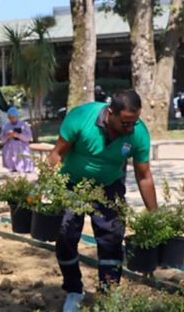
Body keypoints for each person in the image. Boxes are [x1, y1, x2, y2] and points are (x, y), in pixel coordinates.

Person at [48, 90, 157, 312]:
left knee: (112, 239)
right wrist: (48, 190)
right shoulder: (81, 117)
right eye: (125, 122)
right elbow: (57, 154)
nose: (130, 127)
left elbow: (144, 175)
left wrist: (155, 215)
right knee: (66, 235)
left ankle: (108, 295)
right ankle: (74, 290)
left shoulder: (138, 133)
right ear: (110, 113)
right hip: (72, 185)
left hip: (109, 187)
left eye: (134, 121)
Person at [0, 107, 34, 173]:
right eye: (10, 118)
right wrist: (8, 136)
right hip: (10, 150)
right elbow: (2, 140)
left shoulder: (24, 125)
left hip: (22, 148)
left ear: (17, 116)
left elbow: (28, 137)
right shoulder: (5, 126)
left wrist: (18, 135)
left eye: (13, 117)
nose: (12, 119)